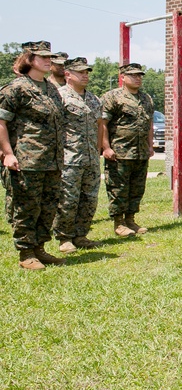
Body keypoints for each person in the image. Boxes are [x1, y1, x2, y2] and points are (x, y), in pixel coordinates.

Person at [0, 41, 66, 269]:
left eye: (50, 57)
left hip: (52, 160)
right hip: (28, 160)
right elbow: (1, 122)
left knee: (48, 207)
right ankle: (26, 253)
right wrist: (7, 153)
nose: (49, 61)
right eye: (43, 57)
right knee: (27, 207)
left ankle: (40, 248)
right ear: (29, 59)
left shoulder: (51, 88)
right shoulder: (16, 88)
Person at [99, 63, 155, 237]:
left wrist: (150, 145)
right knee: (118, 188)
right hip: (120, 152)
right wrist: (106, 147)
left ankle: (130, 219)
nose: (137, 78)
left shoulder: (146, 98)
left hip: (140, 152)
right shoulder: (112, 97)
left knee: (137, 188)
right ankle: (119, 223)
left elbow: (149, 124)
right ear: (123, 77)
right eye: (133, 75)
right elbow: (103, 124)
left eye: (139, 75)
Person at [53, 57, 103, 252]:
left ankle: (81, 235)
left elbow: (99, 126)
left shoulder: (93, 98)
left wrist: (98, 149)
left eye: (87, 72)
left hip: (90, 158)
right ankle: (64, 238)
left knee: (89, 198)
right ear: (68, 74)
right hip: (69, 159)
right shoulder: (59, 96)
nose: (85, 75)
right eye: (80, 72)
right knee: (68, 199)